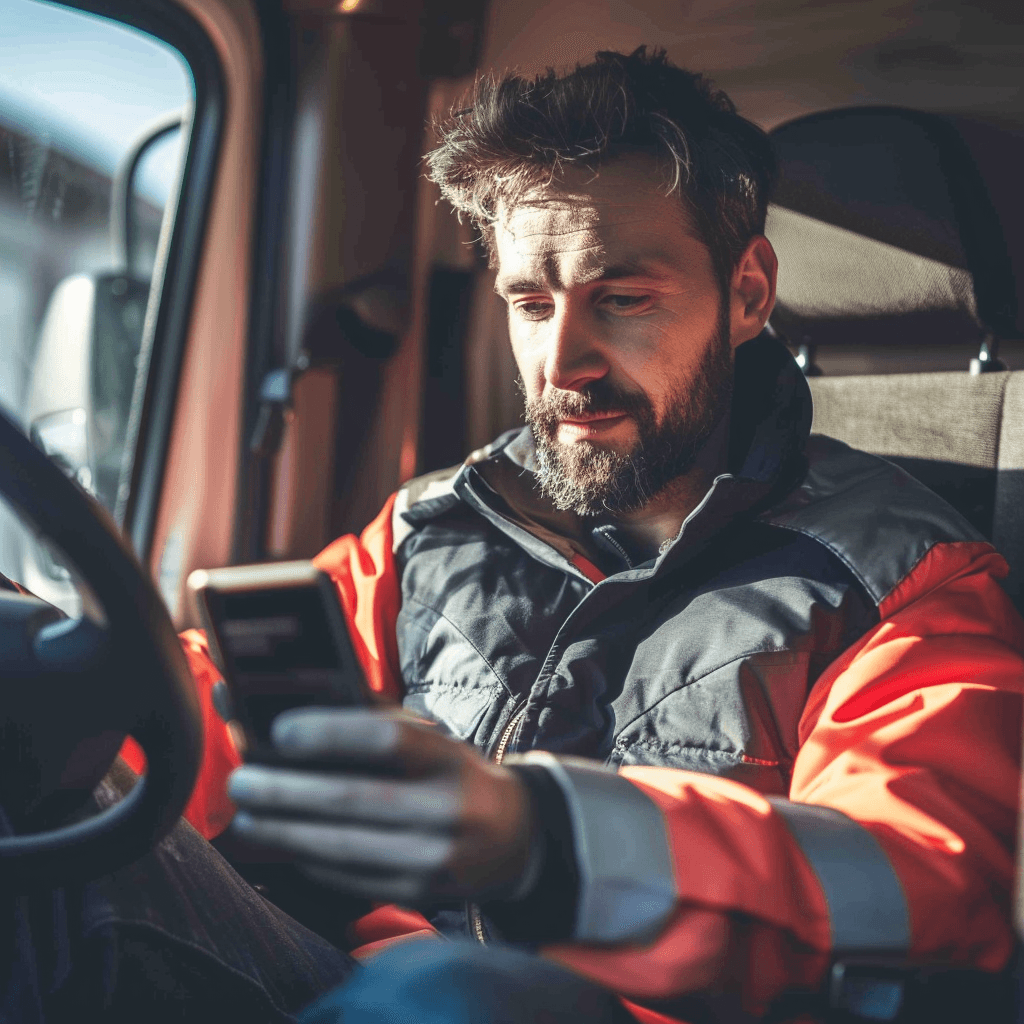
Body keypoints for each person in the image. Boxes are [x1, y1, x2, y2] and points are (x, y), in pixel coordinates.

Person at [8, 47, 1023, 1024]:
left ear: (748, 292)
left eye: (621, 299)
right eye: (529, 304)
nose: (563, 359)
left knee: (449, 995)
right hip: (331, 975)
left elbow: (923, 884)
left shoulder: (902, 580)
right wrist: (67, 704)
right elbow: (201, 727)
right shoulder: (429, 529)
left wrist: (539, 839)